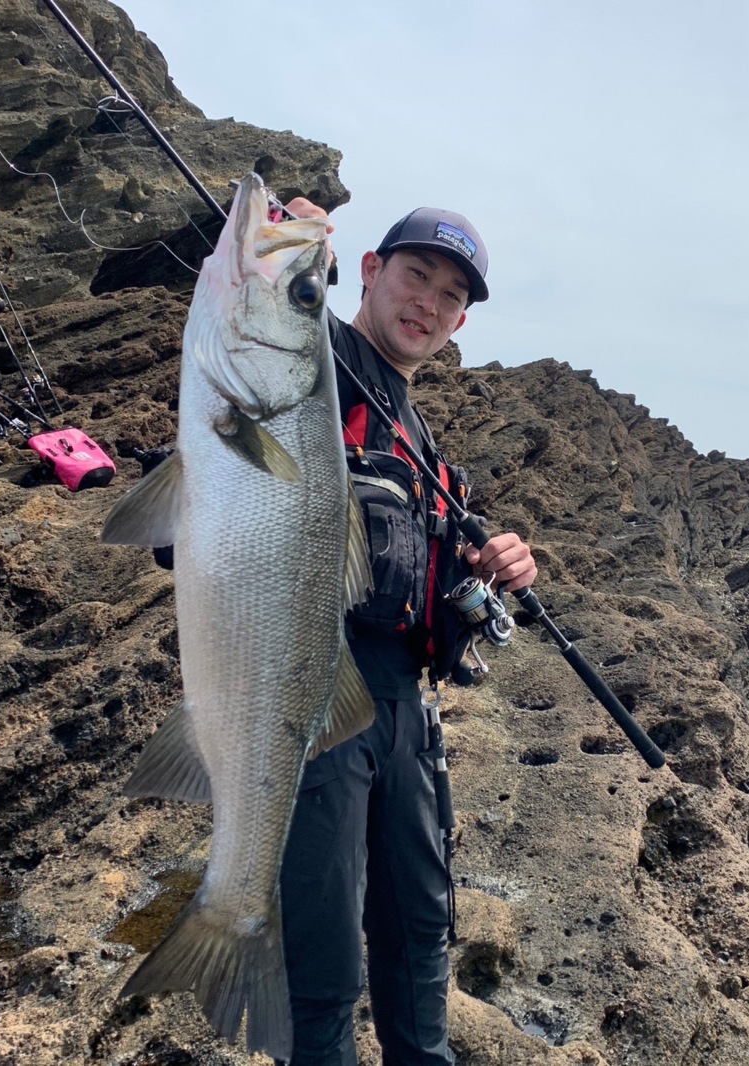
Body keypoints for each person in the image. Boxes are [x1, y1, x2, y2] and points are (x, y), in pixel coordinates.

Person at [277, 199, 538, 1065]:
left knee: (420, 931)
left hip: (409, 714)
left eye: (450, 294)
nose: (427, 301)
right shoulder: (314, 358)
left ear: (459, 322)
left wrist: (495, 560)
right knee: (322, 954)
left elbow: (430, 564)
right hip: (316, 686)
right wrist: (283, 239)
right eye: (415, 274)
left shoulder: (420, 438)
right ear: (368, 270)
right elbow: (256, 328)